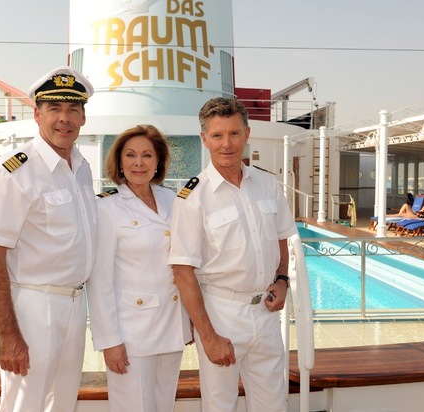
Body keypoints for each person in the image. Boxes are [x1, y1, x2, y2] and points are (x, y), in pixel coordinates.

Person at [0, 66, 96, 412]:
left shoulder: (81, 168)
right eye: (54, 109)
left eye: (73, 109)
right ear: (38, 115)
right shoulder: (15, 170)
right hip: (34, 307)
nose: (64, 118)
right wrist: (8, 335)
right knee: (25, 403)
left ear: (83, 117)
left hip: (74, 304)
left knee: (63, 401)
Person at [168, 97, 297, 411]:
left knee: (273, 404)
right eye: (217, 135)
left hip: (266, 312)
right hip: (221, 313)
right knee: (220, 405)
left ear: (247, 134)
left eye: (234, 134)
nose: (226, 144)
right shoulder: (192, 197)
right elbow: (182, 271)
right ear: (204, 139)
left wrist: (282, 281)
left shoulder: (268, 184)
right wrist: (208, 336)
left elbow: (282, 239)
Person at [87, 124, 191, 412]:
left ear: (158, 161)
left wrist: (190, 319)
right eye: (130, 155)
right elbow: (100, 280)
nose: (139, 163)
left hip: (171, 325)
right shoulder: (107, 208)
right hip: (132, 333)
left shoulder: (172, 199)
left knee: (164, 405)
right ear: (119, 162)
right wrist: (109, 341)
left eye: (147, 155)